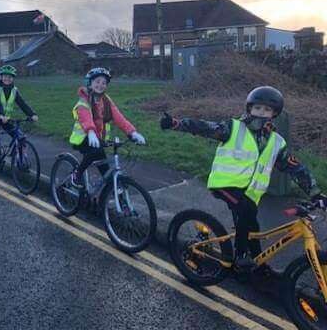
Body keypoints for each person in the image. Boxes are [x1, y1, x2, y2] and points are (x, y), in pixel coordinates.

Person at [160, 86, 324, 283]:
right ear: (249, 109)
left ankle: (259, 266)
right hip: (225, 184)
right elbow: (204, 128)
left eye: (267, 110)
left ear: (274, 114)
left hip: (249, 193)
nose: (261, 113)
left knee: (252, 228)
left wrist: (315, 193)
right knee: (245, 210)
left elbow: (295, 168)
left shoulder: (277, 142)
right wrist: (176, 123)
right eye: (257, 108)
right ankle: (240, 257)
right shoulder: (233, 127)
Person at [69, 67, 146, 190]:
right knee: (95, 152)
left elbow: (118, 117)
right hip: (82, 138)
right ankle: (76, 174)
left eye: (104, 83)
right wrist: (90, 131)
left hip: (97, 140)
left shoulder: (105, 100)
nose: (101, 85)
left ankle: (111, 192)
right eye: (97, 81)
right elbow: (85, 117)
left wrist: (132, 133)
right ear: (90, 83)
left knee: (105, 169)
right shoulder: (84, 100)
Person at [0, 65, 38, 156]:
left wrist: (32, 114)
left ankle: (18, 159)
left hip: (5, 118)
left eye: (10, 77)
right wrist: (1, 115)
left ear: (13, 79)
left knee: (20, 136)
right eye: (5, 76)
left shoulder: (14, 90)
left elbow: (22, 103)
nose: (7, 79)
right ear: (1, 77)